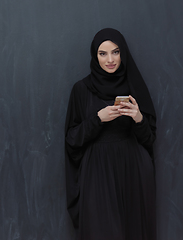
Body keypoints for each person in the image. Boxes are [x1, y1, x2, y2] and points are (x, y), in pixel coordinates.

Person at [65, 28, 157, 240]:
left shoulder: (134, 87)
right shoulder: (81, 90)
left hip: (131, 170)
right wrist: (98, 119)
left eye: (115, 52)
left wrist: (138, 118)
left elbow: (149, 139)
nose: (110, 60)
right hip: (97, 172)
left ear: (122, 53)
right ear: (94, 55)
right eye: (102, 53)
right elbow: (71, 139)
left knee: (132, 231)